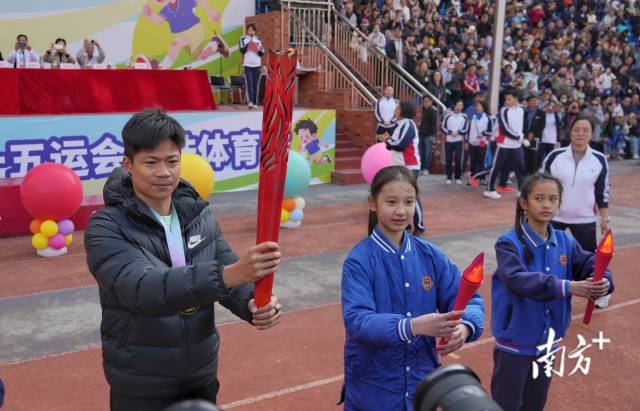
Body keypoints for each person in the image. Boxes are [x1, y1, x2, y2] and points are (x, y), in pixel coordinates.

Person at [84, 109, 283, 411]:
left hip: (200, 371)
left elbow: (230, 273)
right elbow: (142, 289)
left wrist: (254, 304)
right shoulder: (107, 226)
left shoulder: (198, 215)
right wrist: (231, 274)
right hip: (141, 379)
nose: (164, 172)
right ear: (129, 165)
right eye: (151, 162)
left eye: (172, 161)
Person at [340, 166, 484, 411]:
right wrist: (412, 326)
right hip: (373, 388)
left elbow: (470, 299)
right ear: (372, 203)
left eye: (408, 202)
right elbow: (358, 320)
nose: (400, 211)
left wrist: (465, 326)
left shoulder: (430, 255)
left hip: (421, 383)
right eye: (391, 202)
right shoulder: (360, 260)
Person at [490, 173, 614, 411]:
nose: (546, 204)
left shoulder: (564, 241)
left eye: (552, 199)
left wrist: (604, 281)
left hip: (549, 341)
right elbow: (516, 279)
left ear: (559, 203)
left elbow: (591, 264)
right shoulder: (508, 243)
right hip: (515, 340)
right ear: (523, 203)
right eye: (539, 198)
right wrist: (568, 287)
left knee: (536, 402)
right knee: (506, 404)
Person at [378, 101, 424, 236]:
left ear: (404, 110)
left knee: (412, 197)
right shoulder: (400, 125)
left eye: (398, 108)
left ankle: (419, 226)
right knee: (404, 197)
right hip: (401, 166)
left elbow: (400, 145)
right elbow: (393, 145)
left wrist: (387, 140)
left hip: (409, 167)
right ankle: (409, 225)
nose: (396, 110)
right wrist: (388, 140)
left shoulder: (408, 124)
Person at [141, 0, 221, 69]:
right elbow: (159, 20)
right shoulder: (166, 10)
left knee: (176, 45)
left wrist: (211, 12)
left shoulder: (184, 1)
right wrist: (149, 16)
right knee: (202, 56)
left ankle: (161, 66)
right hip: (183, 34)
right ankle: (215, 44)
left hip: (195, 31)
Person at [485, 89, 525, 200]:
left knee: (520, 167)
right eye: (506, 99)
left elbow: (519, 126)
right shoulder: (503, 111)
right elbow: (506, 129)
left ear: (516, 99)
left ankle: (521, 190)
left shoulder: (521, 110)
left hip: (516, 145)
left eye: (509, 99)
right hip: (504, 144)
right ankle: (489, 190)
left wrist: (520, 137)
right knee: (496, 167)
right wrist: (519, 137)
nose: (507, 101)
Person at [441, 100, 469, 184]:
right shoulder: (448, 115)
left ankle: (457, 177)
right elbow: (442, 127)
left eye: (461, 105)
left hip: (459, 141)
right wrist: (450, 132)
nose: (459, 107)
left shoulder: (464, 116)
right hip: (448, 140)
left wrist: (458, 132)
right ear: (454, 105)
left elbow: (466, 128)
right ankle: (449, 177)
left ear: (462, 107)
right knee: (448, 159)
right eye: (457, 105)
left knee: (458, 159)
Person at [239, 24, 265, 109]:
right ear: (247, 31)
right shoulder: (243, 39)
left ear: (255, 31)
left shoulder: (258, 39)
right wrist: (249, 44)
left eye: (252, 30)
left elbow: (262, 53)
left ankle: (255, 103)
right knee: (249, 83)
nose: (251, 32)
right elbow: (242, 50)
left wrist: (256, 48)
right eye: (249, 30)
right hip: (247, 65)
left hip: (257, 65)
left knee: (255, 84)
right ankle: (250, 102)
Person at [467, 101, 493, 186]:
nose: (477, 107)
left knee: (481, 161)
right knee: (473, 161)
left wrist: (483, 133)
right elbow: (468, 130)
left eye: (479, 106)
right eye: (476, 106)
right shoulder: (472, 118)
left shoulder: (487, 118)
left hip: (482, 143)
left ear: (483, 108)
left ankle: (482, 178)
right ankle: (472, 178)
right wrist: (467, 141)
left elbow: (490, 132)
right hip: (472, 142)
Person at [523, 96, 545, 175]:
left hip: (535, 137)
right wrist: (525, 134)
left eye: (536, 100)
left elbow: (542, 125)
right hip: (524, 136)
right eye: (532, 100)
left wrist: (533, 133)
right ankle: (525, 172)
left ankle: (533, 173)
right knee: (525, 154)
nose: (535, 102)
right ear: (528, 102)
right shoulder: (524, 112)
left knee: (533, 155)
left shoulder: (541, 112)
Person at [537, 102, 562, 168]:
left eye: (553, 106)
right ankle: (538, 168)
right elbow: (538, 112)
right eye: (550, 106)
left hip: (552, 139)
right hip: (543, 138)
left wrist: (555, 111)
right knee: (539, 155)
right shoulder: (543, 114)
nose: (551, 108)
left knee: (549, 155)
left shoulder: (556, 115)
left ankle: (547, 168)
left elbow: (559, 124)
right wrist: (545, 107)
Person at [418, 95, 438, 174]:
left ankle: (426, 169)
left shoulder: (433, 111)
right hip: (421, 133)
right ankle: (422, 168)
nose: (425, 103)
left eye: (427, 101)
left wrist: (432, 135)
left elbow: (434, 124)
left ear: (431, 102)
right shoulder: (424, 109)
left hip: (428, 135)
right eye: (424, 101)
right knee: (421, 152)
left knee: (427, 153)